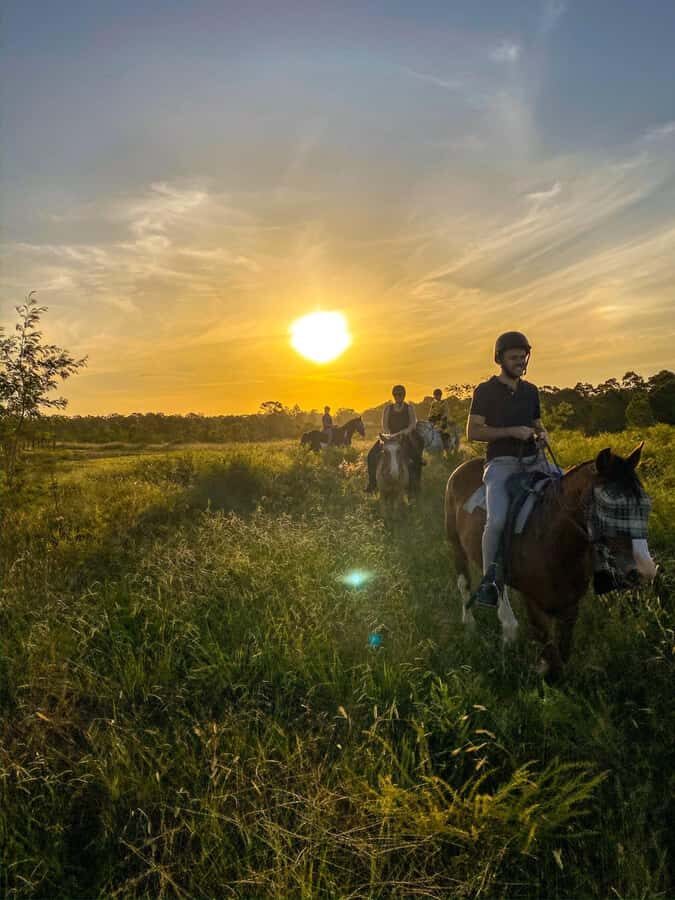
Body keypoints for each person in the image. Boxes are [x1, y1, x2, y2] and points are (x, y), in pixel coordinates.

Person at [466, 332, 550, 607]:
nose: (520, 361)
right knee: (498, 520)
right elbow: (473, 431)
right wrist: (511, 431)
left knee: (573, 497)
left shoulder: (531, 391)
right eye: (513, 357)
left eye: (523, 357)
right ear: (500, 359)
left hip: (535, 460)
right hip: (501, 464)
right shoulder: (485, 391)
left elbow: (537, 423)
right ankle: (490, 581)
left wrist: (543, 433)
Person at [365, 385, 422, 493]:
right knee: (371, 455)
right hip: (389, 437)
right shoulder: (388, 408)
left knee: (416, 457)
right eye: (396, 394)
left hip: (404, 436)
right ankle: (372, 484)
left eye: (400, 394)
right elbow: (384, 424)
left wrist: (401, 433)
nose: (397, 396)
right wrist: (389, 434)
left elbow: (412, 425)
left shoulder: (409, 408)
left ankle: (415, 485)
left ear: (404, 395)